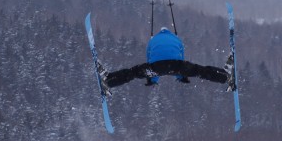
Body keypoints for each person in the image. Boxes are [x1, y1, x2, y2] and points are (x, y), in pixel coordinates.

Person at [97, 27, 235, 95]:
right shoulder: (177, 39)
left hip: (156, 67)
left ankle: (109, 81)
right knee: (201, 71)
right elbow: (181, 57)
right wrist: (182, 76)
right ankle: (225, 76)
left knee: (132, 73)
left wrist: (152, 79)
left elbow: (149, 58)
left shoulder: (153, 41)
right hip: (177, 65)